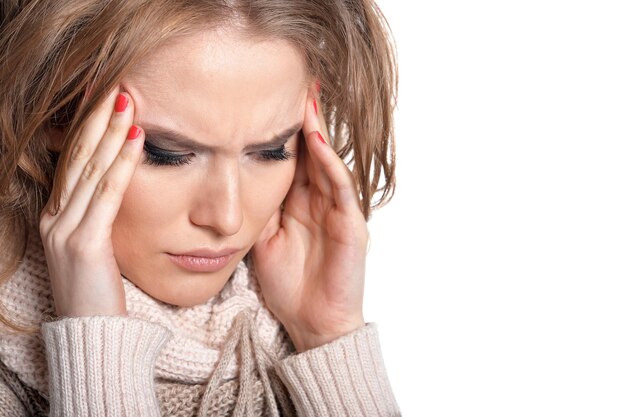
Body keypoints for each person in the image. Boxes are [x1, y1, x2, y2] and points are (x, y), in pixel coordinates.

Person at [0, 0, 399, 415]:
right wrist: (94, 340)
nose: (228, 219)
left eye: (271, 150)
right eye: (167, 153)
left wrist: (328, 336)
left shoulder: (276, 313)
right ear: (56, 114)